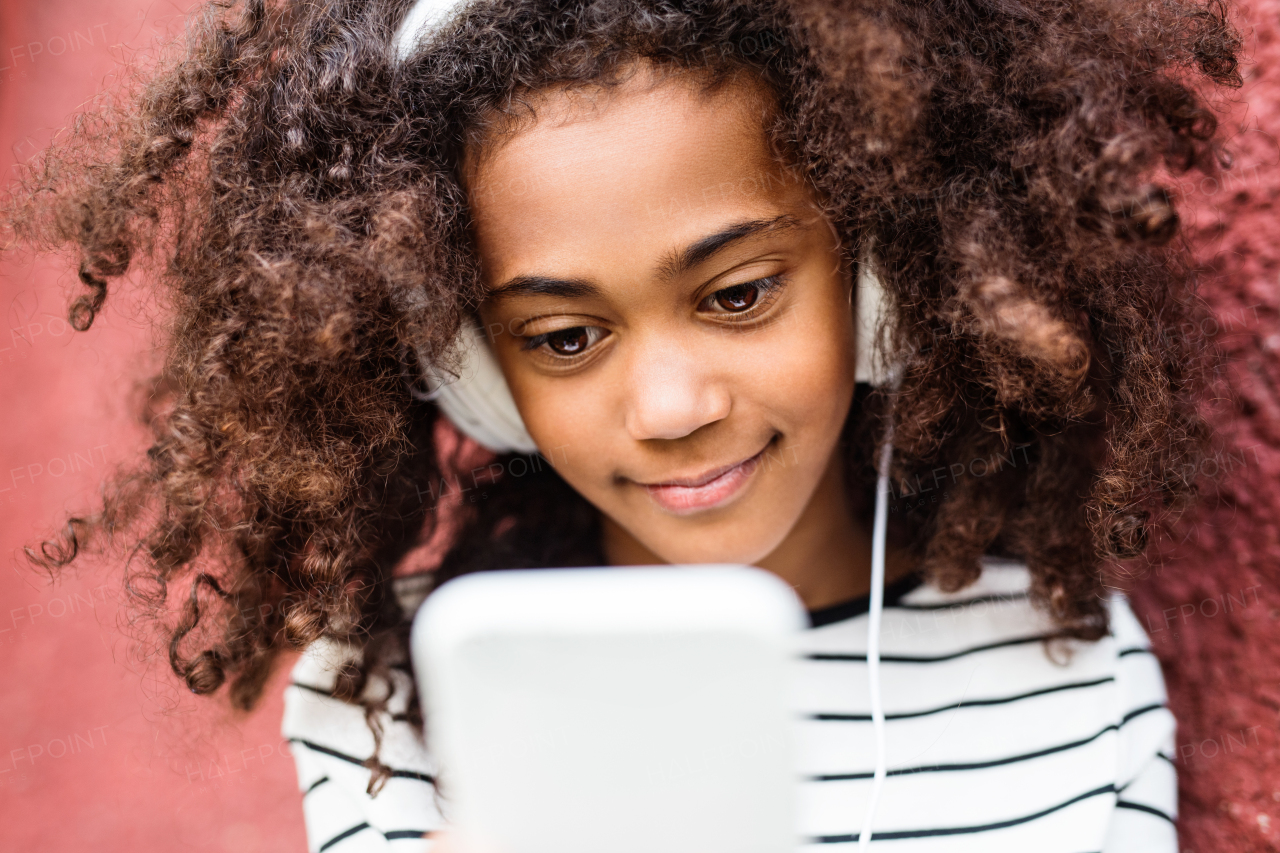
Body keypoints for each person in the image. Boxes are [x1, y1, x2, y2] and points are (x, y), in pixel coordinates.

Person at [6, 0, 1245, 849]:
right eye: (561, 337)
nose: (670, 408)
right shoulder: (392, 702)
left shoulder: (1063, 670)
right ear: (472, 373)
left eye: (740, 293)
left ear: (879, 284)